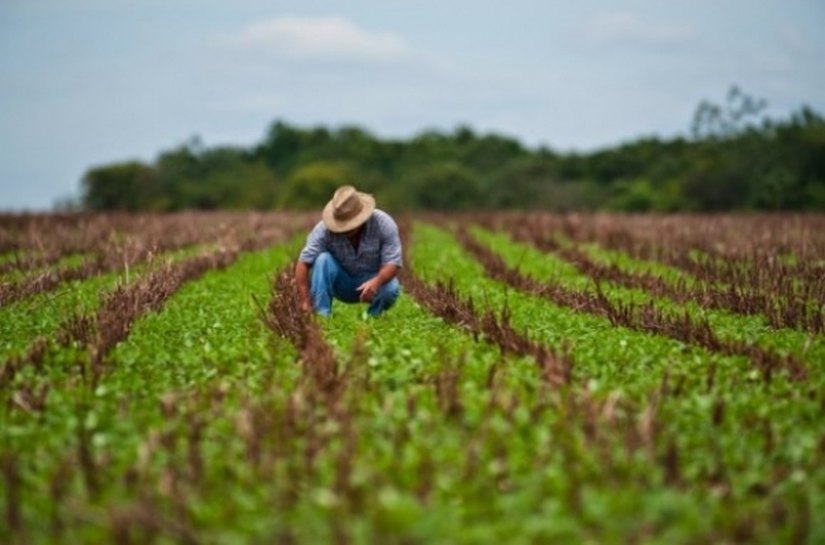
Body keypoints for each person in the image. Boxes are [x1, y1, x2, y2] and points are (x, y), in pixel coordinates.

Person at [295, 185, 402, 317]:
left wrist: (376, 282)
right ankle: (322, 316)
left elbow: (393, 263)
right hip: (342, 283)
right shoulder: (323, 230)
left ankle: (373, 317)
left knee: (391, 288)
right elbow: (303, 263)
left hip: (373, 280)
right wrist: (304, 301)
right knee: (323, 259)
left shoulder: (383, 223)